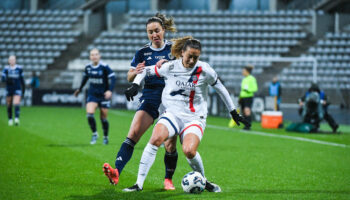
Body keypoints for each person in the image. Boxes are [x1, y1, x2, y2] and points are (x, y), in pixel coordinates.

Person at [122, 36, 250, 192]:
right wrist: (135, 85)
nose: (192, 60)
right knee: (155, 138)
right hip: (172, 114)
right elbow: (145, 71)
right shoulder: (169, 67)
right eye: (189, 56)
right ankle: (138, 184)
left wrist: (233, 111)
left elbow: (221, 88)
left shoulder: (204, 70)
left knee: (189, 151)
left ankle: (204, 180)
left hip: (194, 118)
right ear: (182, 52)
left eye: (196, 57)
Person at [103, 13, 179, 190]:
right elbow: (130, 75)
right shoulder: (142, 52)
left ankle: (168, 179)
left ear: (164, 30)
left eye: (157, 31)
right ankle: (116, 172)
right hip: (150, 95)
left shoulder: (174, 49)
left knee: (169, 144)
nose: (154, 35)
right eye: (150, 32)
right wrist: (135, 73)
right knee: (133, 134)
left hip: (172, 98)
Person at [74, 48, 116, 145]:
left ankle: (105, 137)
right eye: (92, 55)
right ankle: (95, 134)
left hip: (103, 95)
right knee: (89, 114)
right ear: (90, 57)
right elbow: (85, 78)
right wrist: (79, 89)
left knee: (103, 118)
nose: (94, 56)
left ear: (99, 56)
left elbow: (113, 78)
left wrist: (110, 90)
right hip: (92, 95)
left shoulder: (105, 67)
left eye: (96, 54)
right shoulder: (88, 67)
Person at [1, 55, 25, 126]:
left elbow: (22, 80)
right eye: (10, 60)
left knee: (16, 103)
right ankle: (10, 119)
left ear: (15, 60)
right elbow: (2, 79)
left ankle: (17, 119)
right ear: (8, 61)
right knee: (9, 104)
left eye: (13, 60)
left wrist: (23, 89)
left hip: (17, 88)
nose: (12, 61)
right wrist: (7, 79)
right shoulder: (6, 69)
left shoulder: (19, 68)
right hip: (9, 89)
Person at [239, 65, 258, 130]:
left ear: (247, 71)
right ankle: (246, 125)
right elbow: (242, 89)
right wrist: (240, 98)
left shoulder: (252, 78)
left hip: (248, 97)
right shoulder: (244, 79)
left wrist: (248, 90)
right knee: (244, 112)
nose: (242, 72)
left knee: (247, 111)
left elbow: (255, 88)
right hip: (243, 97)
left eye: (243, 71)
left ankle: (248, 125)